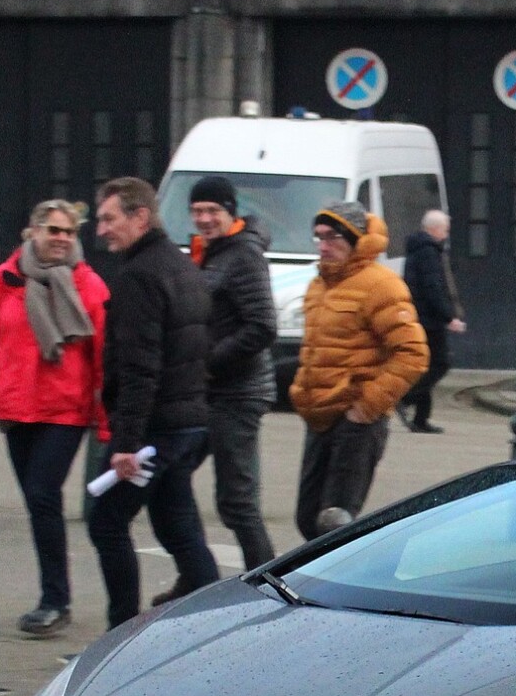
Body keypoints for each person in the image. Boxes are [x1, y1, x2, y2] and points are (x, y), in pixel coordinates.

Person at [0, 199, 110, 638]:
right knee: (36, 502)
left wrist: (106, 420)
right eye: (52, 230)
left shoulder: (88, 285)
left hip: (65, 410)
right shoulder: (4, 280)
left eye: (68, 232)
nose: (60, 239)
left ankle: (56, 600)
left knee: (43, 494)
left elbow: (106, 358)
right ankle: (54, 595)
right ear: (33, 233)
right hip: (16, 408)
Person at [86, 176, 219, 627]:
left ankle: (119, 635)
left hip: (154, 431)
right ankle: (211, 623)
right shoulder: (182, 265)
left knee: (106, 521)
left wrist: (126, 443)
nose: (101, 229)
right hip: (187, 423)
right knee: (176, 523)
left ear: (140, 217)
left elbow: (140, 367)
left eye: (109, 218)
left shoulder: (139, 276)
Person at [288, 202, 428, 539]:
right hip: (319, 417)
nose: (323, 245)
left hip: (356, 423)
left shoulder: (381, 285)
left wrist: (366, 408)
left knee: (335, 524)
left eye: (333, 237)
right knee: (308, 520)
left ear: (356, 240)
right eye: (318, 237)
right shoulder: (319, 285)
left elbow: (413, 354)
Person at [186, 174, 278, 570]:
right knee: (170, 477)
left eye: (212, 210)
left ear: (230, 212)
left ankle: (269, 581)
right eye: (197, 211)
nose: (204, 218)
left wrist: (210, 362)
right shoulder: (211, 251)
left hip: (238, 393)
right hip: (210, 392)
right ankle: (193, 571)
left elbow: (262, 326)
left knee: (237, 501)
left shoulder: (242, 255)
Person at [399, 208, 466, 433]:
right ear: (435, 229)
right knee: (439, 363)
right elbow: (433, 288)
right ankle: (405, 398)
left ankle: (420, 418)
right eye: (445, 230)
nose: (446, 235)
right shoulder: (428, 252)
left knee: (425, 366)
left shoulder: (420, 249)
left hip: (422, 316)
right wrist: (449, 317)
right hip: (427, 319)